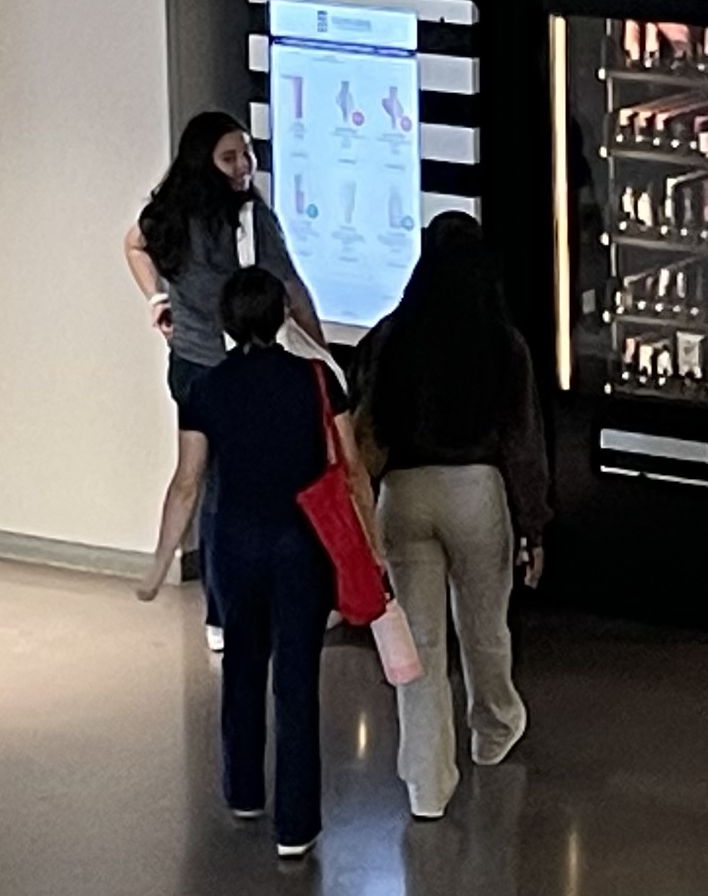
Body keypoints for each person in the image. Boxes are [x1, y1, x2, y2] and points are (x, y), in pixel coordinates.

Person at [138, 269, 365, 859]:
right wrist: (375, 542)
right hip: (301, 547)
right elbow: (354, 469)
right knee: (296, 681)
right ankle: (296, 827)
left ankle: (243, 792)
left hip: (234, 545)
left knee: (241, 666)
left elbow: (188, 484)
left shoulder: (206, 390)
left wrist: (161, 562)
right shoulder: (317, 380)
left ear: (226, 322)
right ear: (281, 315)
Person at [355, 213, 553, 820]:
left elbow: (366, 423)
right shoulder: (502, 342)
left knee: (418, 645)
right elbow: (523, 441)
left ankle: (426, 783)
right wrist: (533, 526)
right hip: (478, 490)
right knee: (484, 625)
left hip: (404, 494)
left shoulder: (393, 334)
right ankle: (495, 727)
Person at [124, 111, 328, 648]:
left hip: (189, 365)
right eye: (230, 156)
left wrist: (157, 300)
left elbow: (133, 244)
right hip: (230, 367)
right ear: (205, 161)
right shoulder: (249, 218)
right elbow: (291, 289)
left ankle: (221, 610)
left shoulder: (168, 213)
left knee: (208, 482)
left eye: (246, 153)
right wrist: (324, 353)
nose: (244, 166)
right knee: (234, 485)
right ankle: (235, 605)